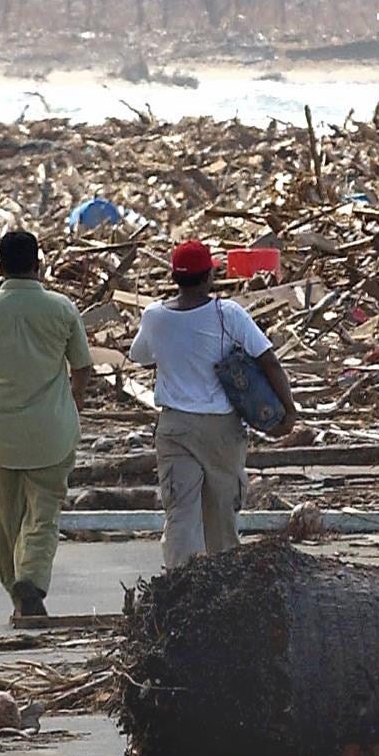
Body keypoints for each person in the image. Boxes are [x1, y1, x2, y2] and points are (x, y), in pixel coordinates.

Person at [129, 239, 300, 568]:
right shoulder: (228, 314)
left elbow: (140, 356)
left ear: (174, 278)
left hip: (175, 426)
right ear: (208, 276)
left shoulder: (154, 316)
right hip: (220, 429)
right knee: (221, 514)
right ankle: (224, 589)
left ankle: (178, 586)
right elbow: (269, 361)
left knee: (180, 512)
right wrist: (288, 410)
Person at [0, 229, 92, 618]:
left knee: (4, 519)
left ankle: (15, 587)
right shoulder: (62, 308)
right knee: (44, 513)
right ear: (39, 264)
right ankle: (30, 581)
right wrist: (74, 402)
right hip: (51, 430)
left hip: (0, 432)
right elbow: (82, 366)